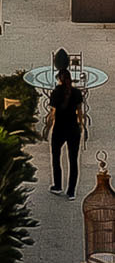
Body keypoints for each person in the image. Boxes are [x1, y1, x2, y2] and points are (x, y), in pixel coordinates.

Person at [46, 67, 85, 197]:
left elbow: (53, 113)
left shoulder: (56, 93)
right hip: (73, 129)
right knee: (73, 161)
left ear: (59, 80)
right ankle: (71, 192)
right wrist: (81, 125)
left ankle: (58, 186)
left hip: (59, 129)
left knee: (56, 157)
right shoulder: (76, 93)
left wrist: (47, 127)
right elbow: (79, 111)